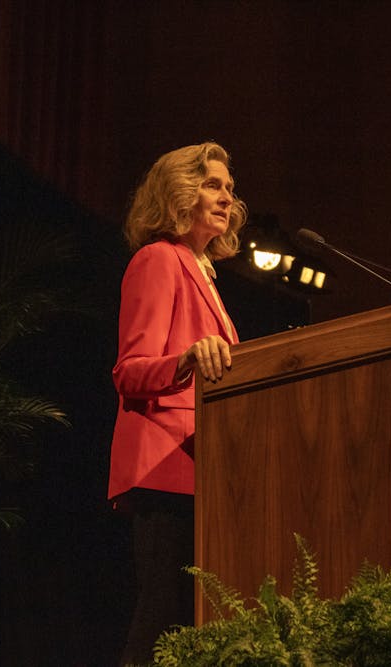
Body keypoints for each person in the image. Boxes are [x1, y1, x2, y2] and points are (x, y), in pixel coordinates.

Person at [108, 142, 247, 664]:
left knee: (188, 631)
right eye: (212, 185)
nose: (226, 197)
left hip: (204, 471)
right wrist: (185, 360)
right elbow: (129, 372)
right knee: (161, 625)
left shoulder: (205, 274)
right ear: (179, 193)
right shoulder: (158, 260)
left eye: (229, 188)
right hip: (166, 470)